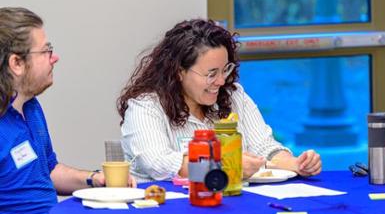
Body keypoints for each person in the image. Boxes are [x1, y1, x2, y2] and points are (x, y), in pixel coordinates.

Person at [0, 7, 136, 214]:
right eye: (46, 51)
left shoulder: (31, 107)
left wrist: (95, 180)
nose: (55, 58)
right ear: (16, 63)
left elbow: (47, 171)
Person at [117, 18, 322, 183]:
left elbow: (264, 147)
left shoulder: (234, 96)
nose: (221, 81)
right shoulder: (145, 106)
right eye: (211, 73)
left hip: (229, 206)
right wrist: (225, 165)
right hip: (163, 213)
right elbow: (158, 162)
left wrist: (295, 163)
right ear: (179, 72)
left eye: (225, 70)